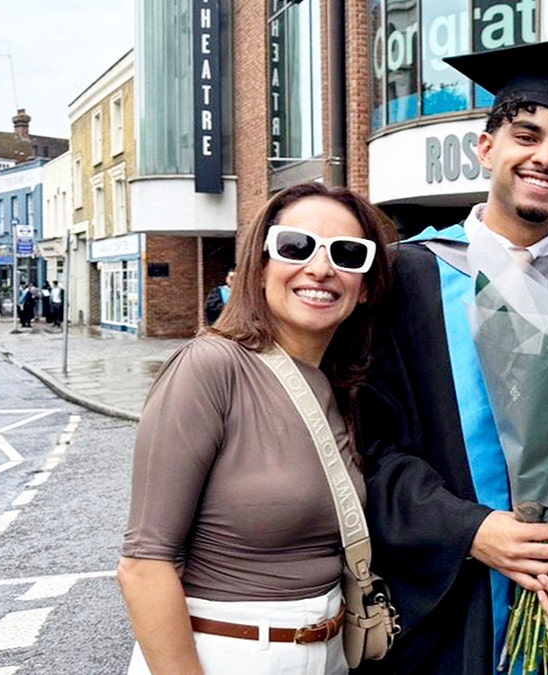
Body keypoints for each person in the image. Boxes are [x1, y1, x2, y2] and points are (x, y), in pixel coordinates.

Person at [354, 39, 548, 675]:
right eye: (527, 134)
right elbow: (371, 449)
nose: (545, 157)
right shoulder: (408, 278)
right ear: (487, 146)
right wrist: (470, 530)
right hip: (446, 611)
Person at [117, 183, 393, 674]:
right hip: (227, 655)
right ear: (261, 264)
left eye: (349, 254)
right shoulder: (211, 366)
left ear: (366, 284)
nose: (321, 268)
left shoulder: (340, 386)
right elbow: (144, 566)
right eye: (296, 246)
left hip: (329, 655)